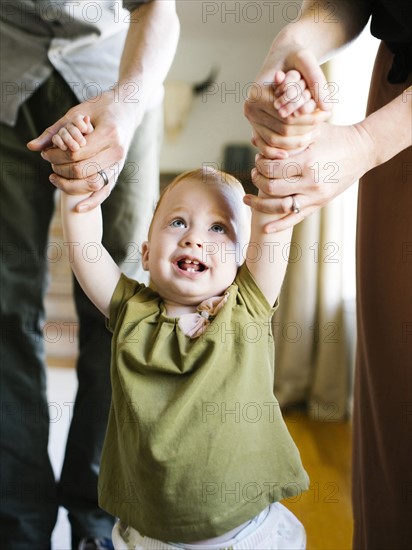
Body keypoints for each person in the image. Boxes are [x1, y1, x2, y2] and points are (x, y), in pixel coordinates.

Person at [52, 96, 314, 548]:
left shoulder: (246, 307)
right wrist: (77, 187)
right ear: (148, 253)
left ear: (242, 259)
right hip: (150, 535)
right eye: (177, 222)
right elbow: (86, 250)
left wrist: (281, 148)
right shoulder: (131, 311)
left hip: (244, 535)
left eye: (219, 229)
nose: (195, 236)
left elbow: (273, 225)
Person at [0, 1, 179, 549]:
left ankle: (98, 521)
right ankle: (17, 526)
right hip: (5, 77)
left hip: (118, 83)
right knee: (4, 307)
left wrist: (124, 109)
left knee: (123, 313)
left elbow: (157, 8)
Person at [243, 1, 412, 548]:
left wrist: (366, 142)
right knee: (396, 397)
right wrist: (290, 47)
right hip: (400, 88)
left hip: (393, 127)